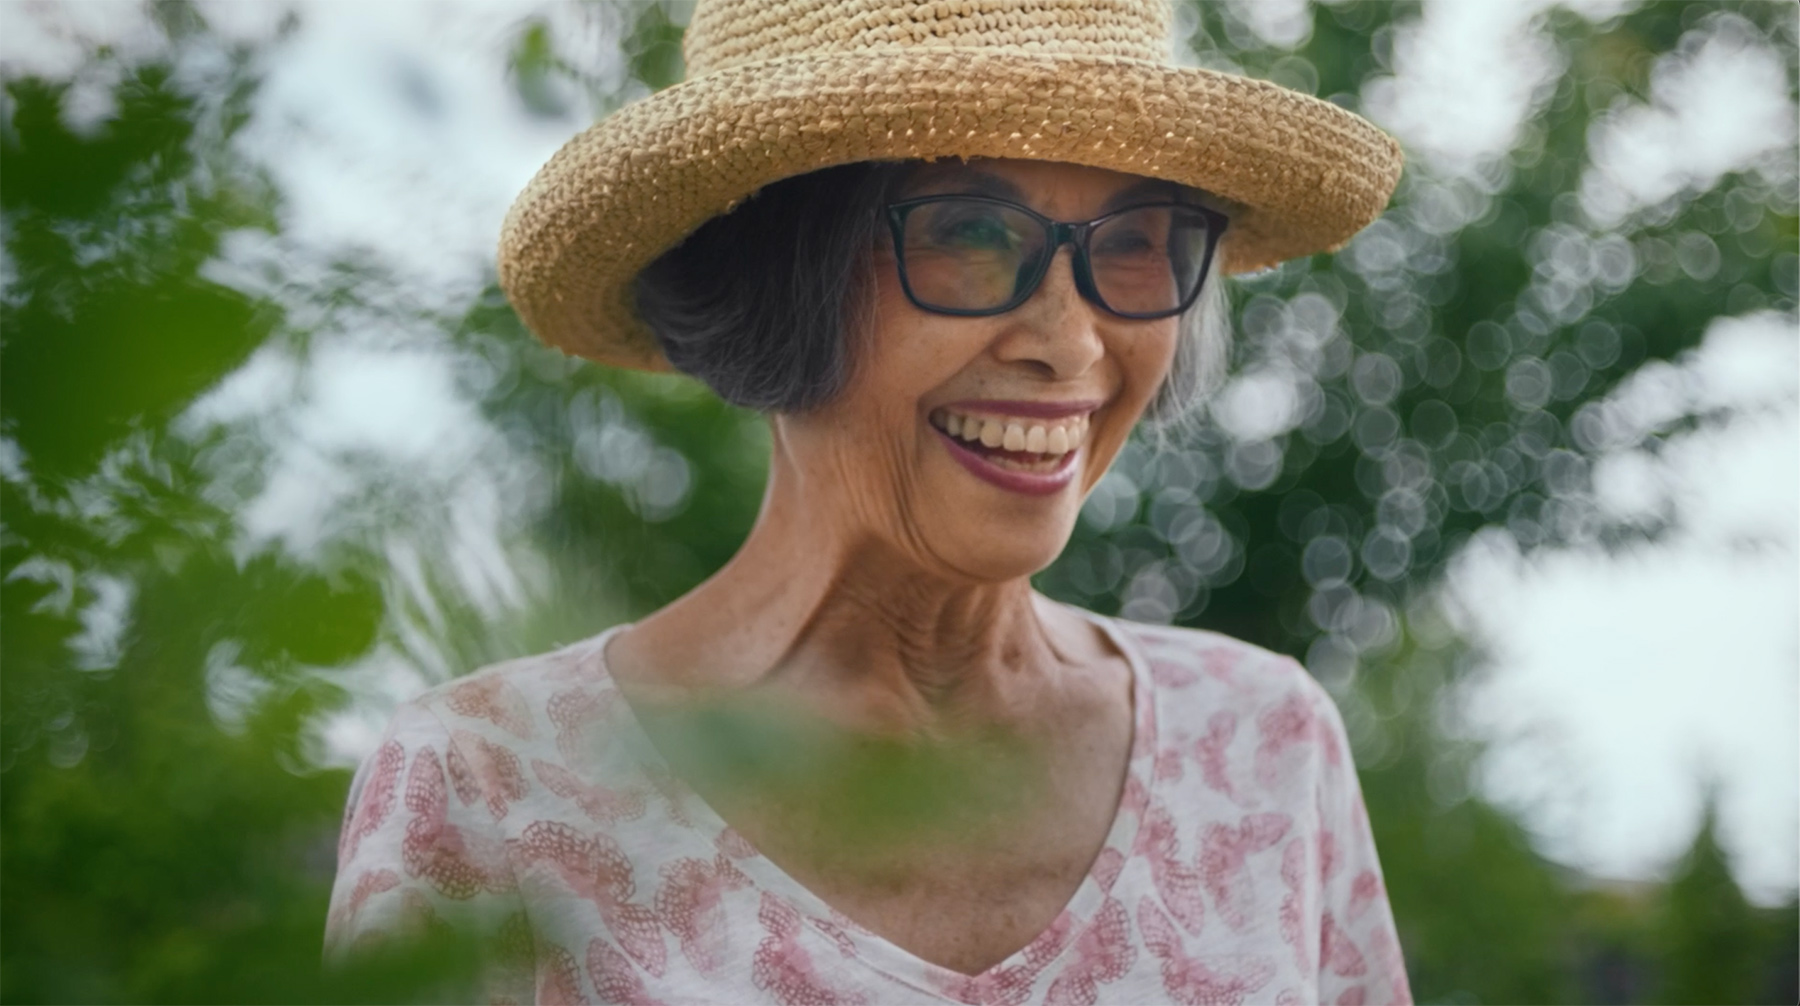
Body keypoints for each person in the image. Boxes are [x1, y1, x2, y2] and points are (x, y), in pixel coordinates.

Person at [326, 0, 1412, 1002]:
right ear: (773, 278)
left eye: (1132, 244)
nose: (1071, 344)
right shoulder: (490, 792)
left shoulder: (1266, 750)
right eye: (970, 233)